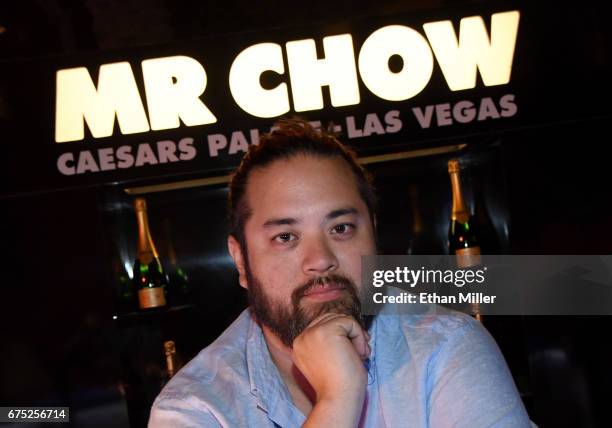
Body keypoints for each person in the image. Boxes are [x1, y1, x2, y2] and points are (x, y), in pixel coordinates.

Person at [148, 119, 531, 427]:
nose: (320, 259)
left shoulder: (446, 348)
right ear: (241, 261)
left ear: (374, 234)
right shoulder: (194, 409)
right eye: (285, 236)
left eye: (341, 228)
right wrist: (338, 398)